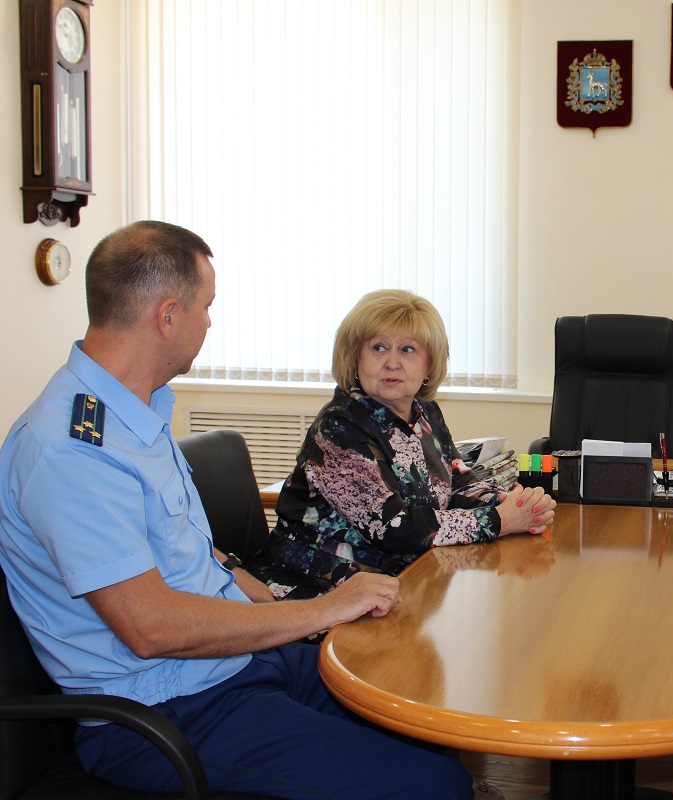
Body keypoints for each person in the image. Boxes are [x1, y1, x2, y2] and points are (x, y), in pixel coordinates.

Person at [0, 221, 473, 799]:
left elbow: (193, 558)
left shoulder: (133, 415)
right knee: (434, 784)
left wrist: (280, 601)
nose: (209, 323)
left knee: (429, 713)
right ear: (168, 316)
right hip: (171, 710)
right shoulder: (71, 449)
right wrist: (322, 608)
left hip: (238, 665)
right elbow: (150, 628)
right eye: (207, 307)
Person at [247, 289, 554, 597]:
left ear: (429, 365)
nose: (392, 362)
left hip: (400, 581)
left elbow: (457, 483)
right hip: (319, 589)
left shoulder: (425, 414)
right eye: (378, 348)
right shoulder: (339, 427)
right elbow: (395, 528)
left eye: (408, 350)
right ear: (355, 359)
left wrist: (514, 504)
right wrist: (499, 520)